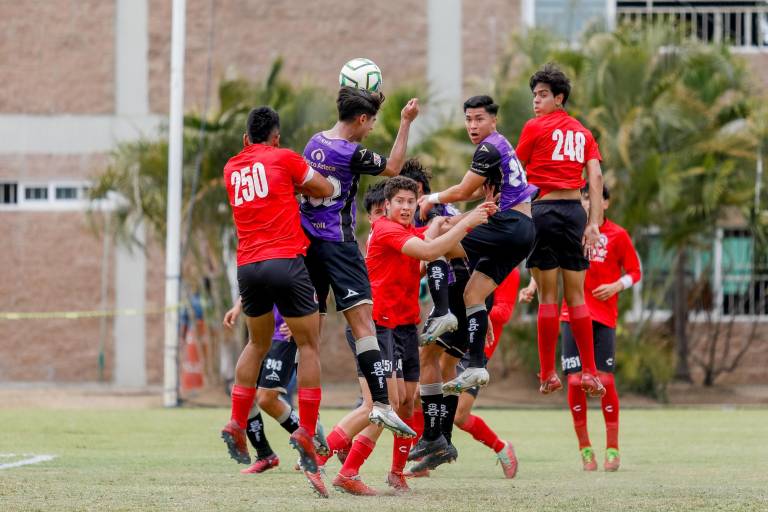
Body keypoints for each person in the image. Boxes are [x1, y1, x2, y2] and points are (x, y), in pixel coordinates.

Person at [327, 176, 495, 495]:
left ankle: (395, 473)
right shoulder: (386, 230)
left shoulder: (407, 232)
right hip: (379, 326)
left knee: (406, 405)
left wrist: (470, 212)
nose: (405, 207)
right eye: (398, 202)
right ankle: (328, 460)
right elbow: (431, 247)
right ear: (385, 207)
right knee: (383, 404)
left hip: (404, 326)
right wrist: (467, 219)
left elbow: (434, 236)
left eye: (410, 201)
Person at [412, 95, 537, 470]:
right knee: (472, 294)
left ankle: (445, 315)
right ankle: (472, 374)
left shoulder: (489, 148)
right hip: (520, 230)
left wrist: (435, 204)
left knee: (442, 240)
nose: (472, 126)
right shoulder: (497, 154)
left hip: (512, 228)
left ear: (493, 121)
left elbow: (464, 193)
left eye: (478, 119)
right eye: (467, 119)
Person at [220, 106, 333, 498]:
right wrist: (298, 185)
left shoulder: (231, 169)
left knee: (256, 343)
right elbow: (323, 188)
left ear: (244, 139)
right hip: (286, 262)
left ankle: (236, 422)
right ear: (277, 138)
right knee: (309, 344)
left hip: (248, 268)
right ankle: (306, 429)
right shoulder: (284, 158)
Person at [300, 87, 419, 440]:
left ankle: (308, 425)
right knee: (364, 323)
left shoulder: (313, 143)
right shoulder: (350, 152)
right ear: (362, 119)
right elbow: (395, 167)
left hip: (309, 246)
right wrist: (405, 123)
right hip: (339, 245)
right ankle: (381, 404)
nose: (370, 130)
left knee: (310, 340)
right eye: (371, 124)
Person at [519, 184, 641, 472]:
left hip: (605, 317)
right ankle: (585, 449)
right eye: (583, 197)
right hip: (568, 317)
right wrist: (532, 284)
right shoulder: (571, 228)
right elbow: (550, 264)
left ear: (605, 204)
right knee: (574, 382)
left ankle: (612, 448)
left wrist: (616, 285)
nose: (586, 202)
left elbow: (635, 271)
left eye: (592, 198)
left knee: (606, 381)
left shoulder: (617, 235)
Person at [514, 63, 606, 397]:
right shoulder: (583, 133)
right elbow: (595, 177)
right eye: (534, 96)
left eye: (542, 95)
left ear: (559, 97)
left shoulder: (534, 128)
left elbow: (515, 169)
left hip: (543, 212)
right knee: (578, 296)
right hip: (574, 213)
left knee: (548, 297)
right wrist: (593, 223)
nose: (536, 102)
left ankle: (548, 373)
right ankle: (591, 373)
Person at [408, 268, 520, 477]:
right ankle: (422, 459)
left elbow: (503, 312)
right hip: (450, 339)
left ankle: (501, 447)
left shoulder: (508, 269)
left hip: (475, 351)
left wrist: (474, 308)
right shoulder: (468, 258)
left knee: (460, 415)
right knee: (418, 396)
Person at [222, 300, 329, 475]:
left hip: (284, 337)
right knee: (245, 394)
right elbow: (257, 281)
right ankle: (265, 455)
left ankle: (312, 438)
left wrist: (301, 320)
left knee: (266, 398)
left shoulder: (301, 272)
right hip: (258, 337)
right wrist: (237, 306)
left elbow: (316, 290)